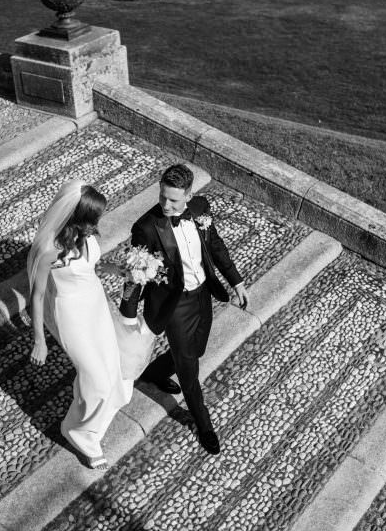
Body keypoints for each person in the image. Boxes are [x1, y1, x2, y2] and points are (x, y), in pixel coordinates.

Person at [120, 164, 249, 455]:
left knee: (197, 349)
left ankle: (155, 372)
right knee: (189, 366)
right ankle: (203, 424)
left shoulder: (201, 208)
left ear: (189, 196)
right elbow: (134, 273)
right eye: (162, 197)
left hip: (203, 295)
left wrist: (237, 281)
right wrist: (128, 316)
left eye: (174, 200)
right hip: (174, 304)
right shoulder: (146, 227)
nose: (166, 205)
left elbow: (216, 246)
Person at [28, 179, 140, 470]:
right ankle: (77, 431)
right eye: (92, 220)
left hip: (95, 305)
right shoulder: (50, 249)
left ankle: (90, 417)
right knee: (96, 378)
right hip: (70, 315)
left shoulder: (86, 234)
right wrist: (39, 340)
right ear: (75, 217)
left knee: (110, 366)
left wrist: (119, 270)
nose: (95, 226)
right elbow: (37, 296)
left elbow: (92, 266)